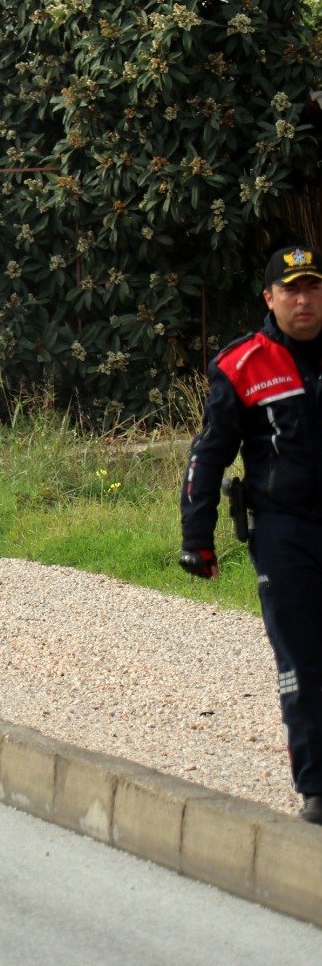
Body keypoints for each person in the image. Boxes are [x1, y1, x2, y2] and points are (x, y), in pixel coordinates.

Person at [180, 244, 322, 825]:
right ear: (270, 298)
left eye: (312, 287)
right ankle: (316, 790)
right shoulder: (242, 364)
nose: (303, 299)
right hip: (283, 532)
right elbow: (208, 456)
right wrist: (198, 537)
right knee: (305, 662)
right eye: (291, 289)